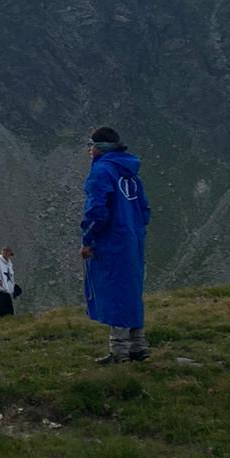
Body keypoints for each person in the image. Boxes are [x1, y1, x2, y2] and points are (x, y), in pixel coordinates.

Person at [81, 126, 152, 363]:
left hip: (112, 241)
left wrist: (88, 239)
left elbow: (97, 210)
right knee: (132, 290)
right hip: (133, 238)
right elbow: (144, 208)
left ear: (100, 148)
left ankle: (118, 351)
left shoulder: (102, 172)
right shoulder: (130, 172)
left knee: (114, 291)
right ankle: (138, 346)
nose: (89, 151)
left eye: (91, 146)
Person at [0, 245, 21, 317]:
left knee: (10, 312)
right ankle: (1, 326)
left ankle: (9, 325)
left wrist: (12, 288)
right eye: (8, 253)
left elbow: (10, 277)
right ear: (5, 252)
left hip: (6, 292)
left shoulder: (9, 263)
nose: (9, 256)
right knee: (2, 312)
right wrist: (3, 286)